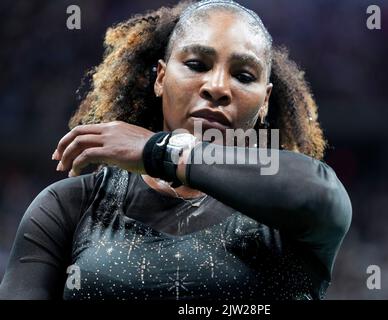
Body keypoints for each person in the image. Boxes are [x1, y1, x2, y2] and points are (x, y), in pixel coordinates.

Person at [0, 0, 351, 300]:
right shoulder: (70, 207)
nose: (217, 87)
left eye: (244, 76)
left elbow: (319, 195)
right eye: (197, 65)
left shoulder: (290, 210)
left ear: (264, 102)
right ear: (160, 78)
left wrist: (159, 152)